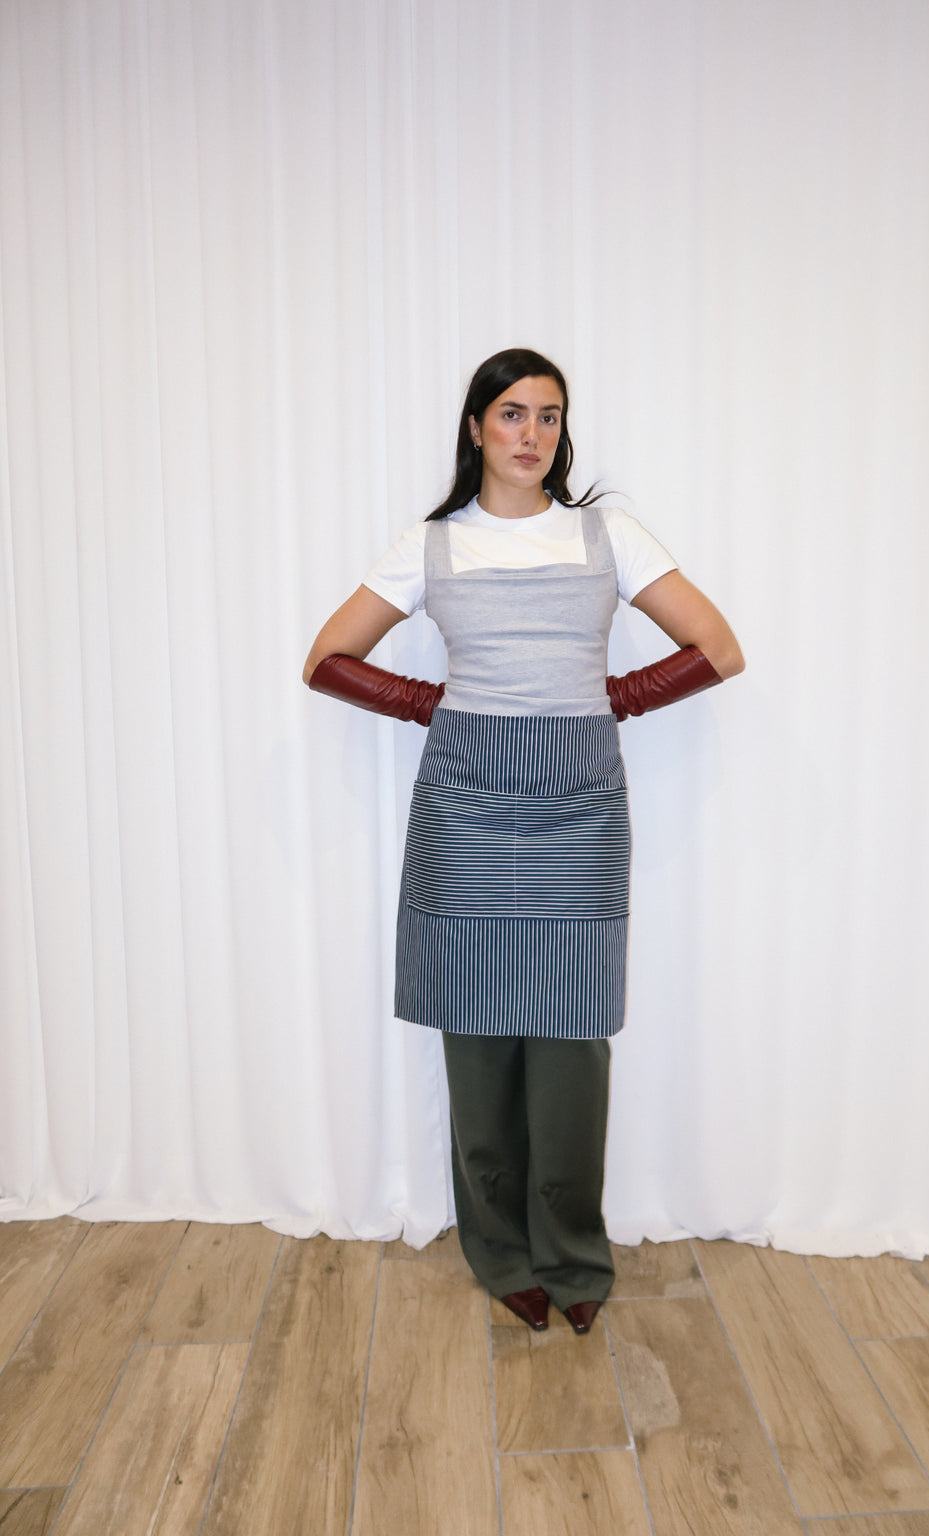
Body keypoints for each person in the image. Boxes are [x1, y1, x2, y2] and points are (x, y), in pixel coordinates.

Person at [303, 348, 744, 1335]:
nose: (530, 435)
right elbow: (326, 659)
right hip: (464, 807)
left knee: (572, 1040)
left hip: (579, 807)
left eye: (548, 416)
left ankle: (574, 1256)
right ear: (474, 429)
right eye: (510, 414)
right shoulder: (430, 545)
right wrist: (433, 705)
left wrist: (615, 698)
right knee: (479, 1036)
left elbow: (717, 648)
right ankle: (500, 1251)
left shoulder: (608, 534)